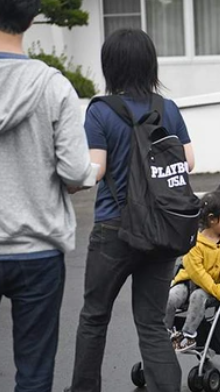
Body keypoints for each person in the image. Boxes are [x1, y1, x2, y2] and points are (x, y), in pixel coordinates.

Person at [66, 29, 195, 392]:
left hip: (114, 230)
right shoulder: (166, 108)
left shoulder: (101, 111)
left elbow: (96, 170)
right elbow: (188, 162)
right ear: (148, 63)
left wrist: (66, 179)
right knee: (152, 322)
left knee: (94, 317)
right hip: (162, 229)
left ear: (112, 66)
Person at [0, 1, 93, 391]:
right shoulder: (53, 85)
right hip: (38, 249)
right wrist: (91, 172)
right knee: (34, 371)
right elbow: (74, 173)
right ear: (33, 18)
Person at [164, 191, 220, 352]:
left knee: (198, 297)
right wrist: (215, 288)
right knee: (170, 297)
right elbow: (197, 272)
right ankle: (164, 332)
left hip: (213, 291)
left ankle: (188, 335)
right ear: (212, 219)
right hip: (192, 283)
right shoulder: (195, 242)